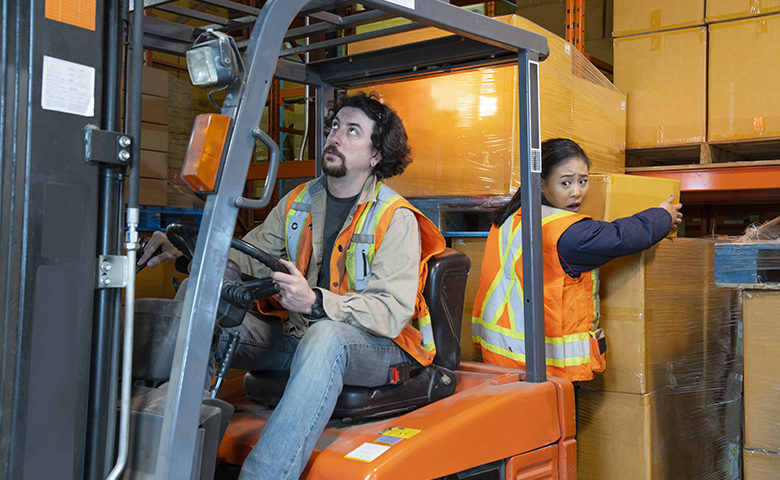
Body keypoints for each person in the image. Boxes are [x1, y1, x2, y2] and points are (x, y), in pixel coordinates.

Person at [138, 92, 445, 479]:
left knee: (327, 337)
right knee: (202, 297)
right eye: (335, 127)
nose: (336, 137)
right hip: (300, 336)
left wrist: (315, 301)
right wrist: (189, 249)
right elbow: (249, 257)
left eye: (353, 132)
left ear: (376, 155)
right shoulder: (300, 200)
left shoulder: (393, 217)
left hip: (379, 347)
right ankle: (164, 458)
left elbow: (390, 312)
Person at [471, 138, 683, 385]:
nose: (577, 191)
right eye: (566, 183)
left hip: (502, 361)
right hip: (543, 371)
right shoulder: (565, 231)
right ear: (540, 184)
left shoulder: (512, 219)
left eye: (582, 181)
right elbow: (620, 237)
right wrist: (663, 216)